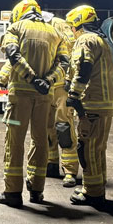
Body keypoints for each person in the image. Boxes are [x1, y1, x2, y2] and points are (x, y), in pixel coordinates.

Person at [0, 0, 68, 208]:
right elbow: (64, 63)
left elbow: (13, 56)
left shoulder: (16, 28)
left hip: (20, 97)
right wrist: (48, 81)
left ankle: (13, 192)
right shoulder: (55, 33)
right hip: (45, 97)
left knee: (14, 142)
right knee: (40, 140)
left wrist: (31, 78)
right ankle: (36, 190)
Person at [64, 5, 113, 207]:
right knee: (98, 149)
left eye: (71, 27)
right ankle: (96, 187)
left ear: (78, 24)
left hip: (91, 104)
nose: (71, 31)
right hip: (104, 104)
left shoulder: (85, 40)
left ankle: (93, 194)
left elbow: (83, 68)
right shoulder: (101, 41)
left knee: (87, 150)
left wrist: (73, 93)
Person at [41, 10, 79, 188]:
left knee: (63, 126)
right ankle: (51, 163)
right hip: (46, 86)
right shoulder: (37, 27)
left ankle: (70, 170)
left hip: (62, 86)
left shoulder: (58, 25)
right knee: (47, 126)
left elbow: (70, 49)